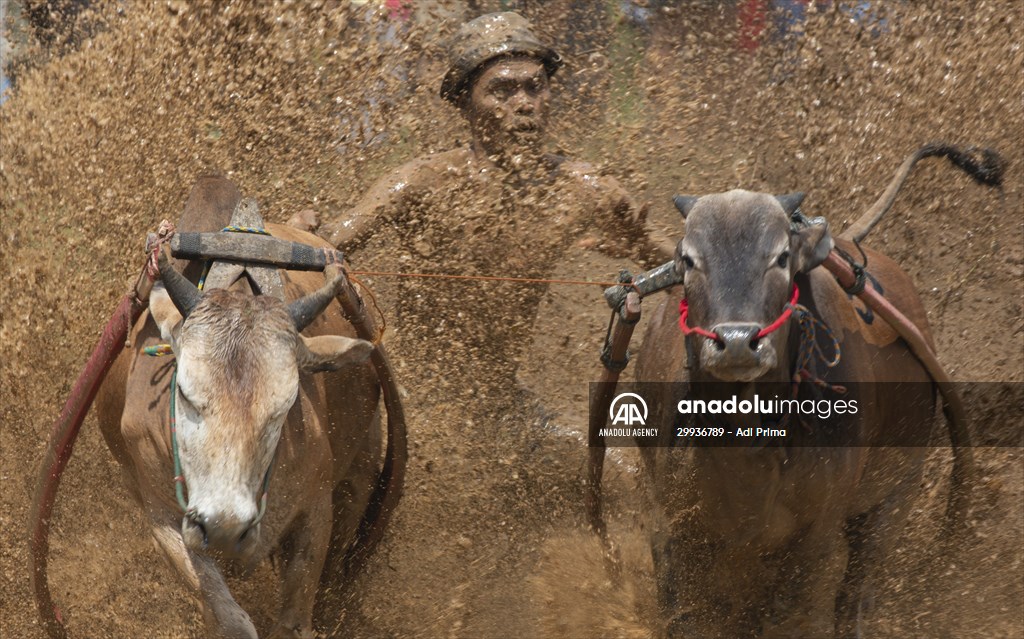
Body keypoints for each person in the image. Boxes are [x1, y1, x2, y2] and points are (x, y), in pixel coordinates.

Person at [305, 11, 670, 405]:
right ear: (465, 102)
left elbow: (689, 270)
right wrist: (299, 231)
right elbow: (321, 251)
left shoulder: (581, 189)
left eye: (536, 87)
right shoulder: (420, 183)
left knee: (615, 465)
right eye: (503, 90)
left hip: (502, 403)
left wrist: (649, 246)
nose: (524, 103)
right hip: (409, 401)